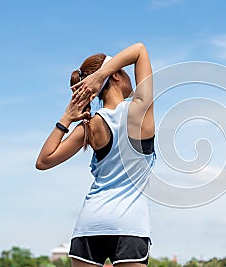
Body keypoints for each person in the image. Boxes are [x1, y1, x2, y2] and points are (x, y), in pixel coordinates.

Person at [36, 43, 155, 267]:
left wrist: (66, 118)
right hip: (129, 226)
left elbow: (43, 161)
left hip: (90, 225)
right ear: (117, 74)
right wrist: (102, 73)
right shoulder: (140, 110)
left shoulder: (90, 125)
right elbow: (140, 50)